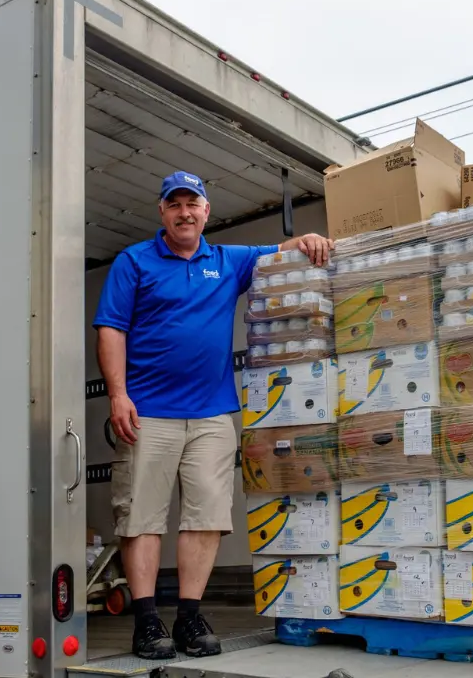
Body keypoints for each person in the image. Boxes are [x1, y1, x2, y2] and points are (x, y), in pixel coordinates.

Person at [92, 171, 334, 660]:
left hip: (212, 415)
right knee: (141, 519)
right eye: (175, 203)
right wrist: (118, 395)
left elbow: (280, 252)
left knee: (205, 518)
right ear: (162, 211)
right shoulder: (133, 262)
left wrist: (306, 238)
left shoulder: (228, 261)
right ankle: (146, 621)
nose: (185, 212)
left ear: (207, 211)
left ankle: (187, 617)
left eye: (193, 203)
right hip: (149, 413)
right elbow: (111, 329)